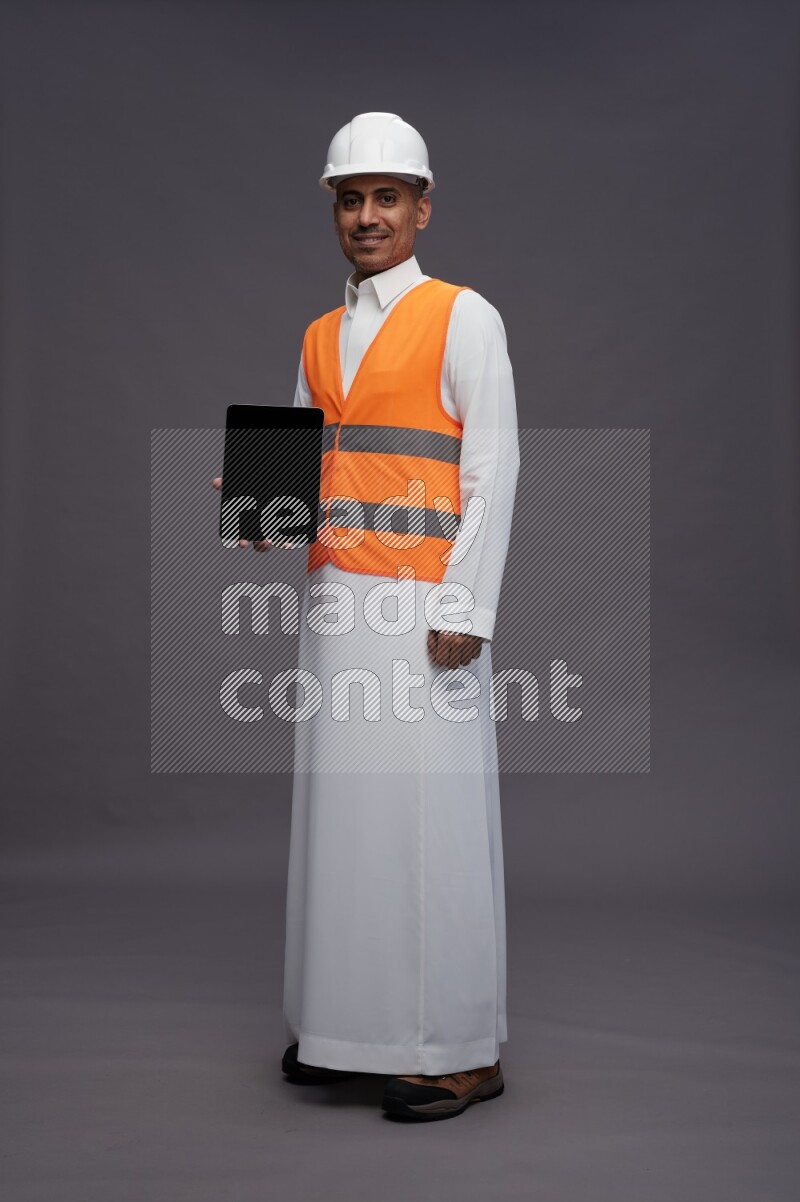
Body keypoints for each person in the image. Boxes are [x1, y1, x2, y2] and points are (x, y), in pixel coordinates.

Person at [214, 112, 519, 1121]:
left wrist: (469, 604)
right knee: (346, 827)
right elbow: (305, 474)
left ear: (421, 207)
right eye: (351, 198)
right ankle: (348, 1028)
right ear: (334, 212)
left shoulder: (461, 315)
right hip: (338, 602)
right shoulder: (317, 334)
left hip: (427, 608)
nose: (367, 214)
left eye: (387, 196)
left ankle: (461, 1047)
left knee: (430, 828)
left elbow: (493, 468)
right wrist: (259, 508)